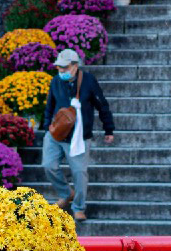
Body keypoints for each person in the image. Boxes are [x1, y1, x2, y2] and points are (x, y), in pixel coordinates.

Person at [40, 49, 115, 222]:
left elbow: (102, 105)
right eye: (59, 68)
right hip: (56, 133)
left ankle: (79, 207)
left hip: (79, 137)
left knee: (79, 172)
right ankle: (66, 193)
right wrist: (46, 127)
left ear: (75, 66)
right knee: (48, 165)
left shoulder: (88, 81)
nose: (61, 71)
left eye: (65, 68)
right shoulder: (55, 81)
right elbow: (49, 105)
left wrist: (108, 129)